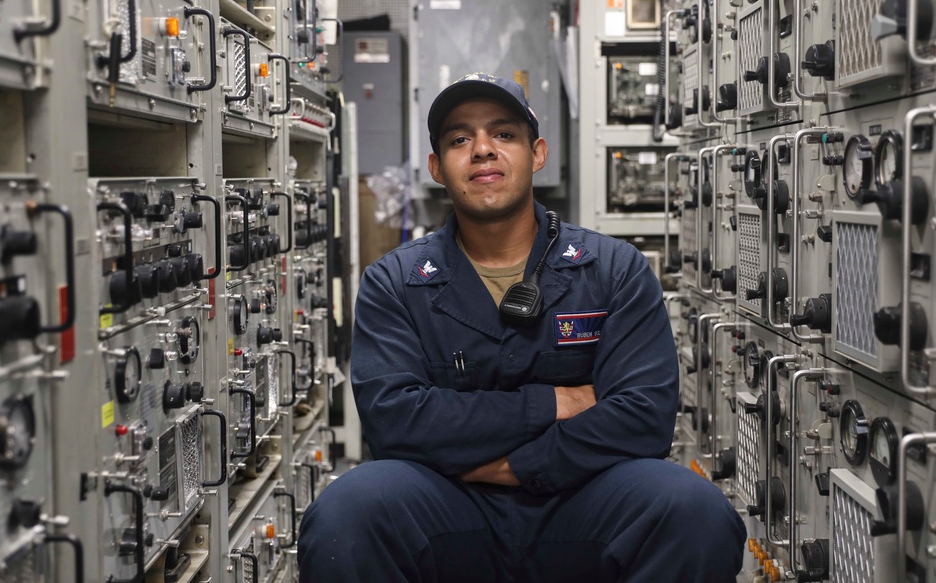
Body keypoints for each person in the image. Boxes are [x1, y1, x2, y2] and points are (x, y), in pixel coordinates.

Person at [298, 73, 746, 582]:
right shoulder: (395, 281)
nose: (483, 150)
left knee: (695, 509)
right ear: (437, 169)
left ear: (537, 154)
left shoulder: (613, 269)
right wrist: (555, 402)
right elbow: (395, 422)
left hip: (583, 503)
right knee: (345, 513)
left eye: (503, 134)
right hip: (448, 507)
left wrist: (516, 465)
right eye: (459, 139)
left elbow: (643, 418)